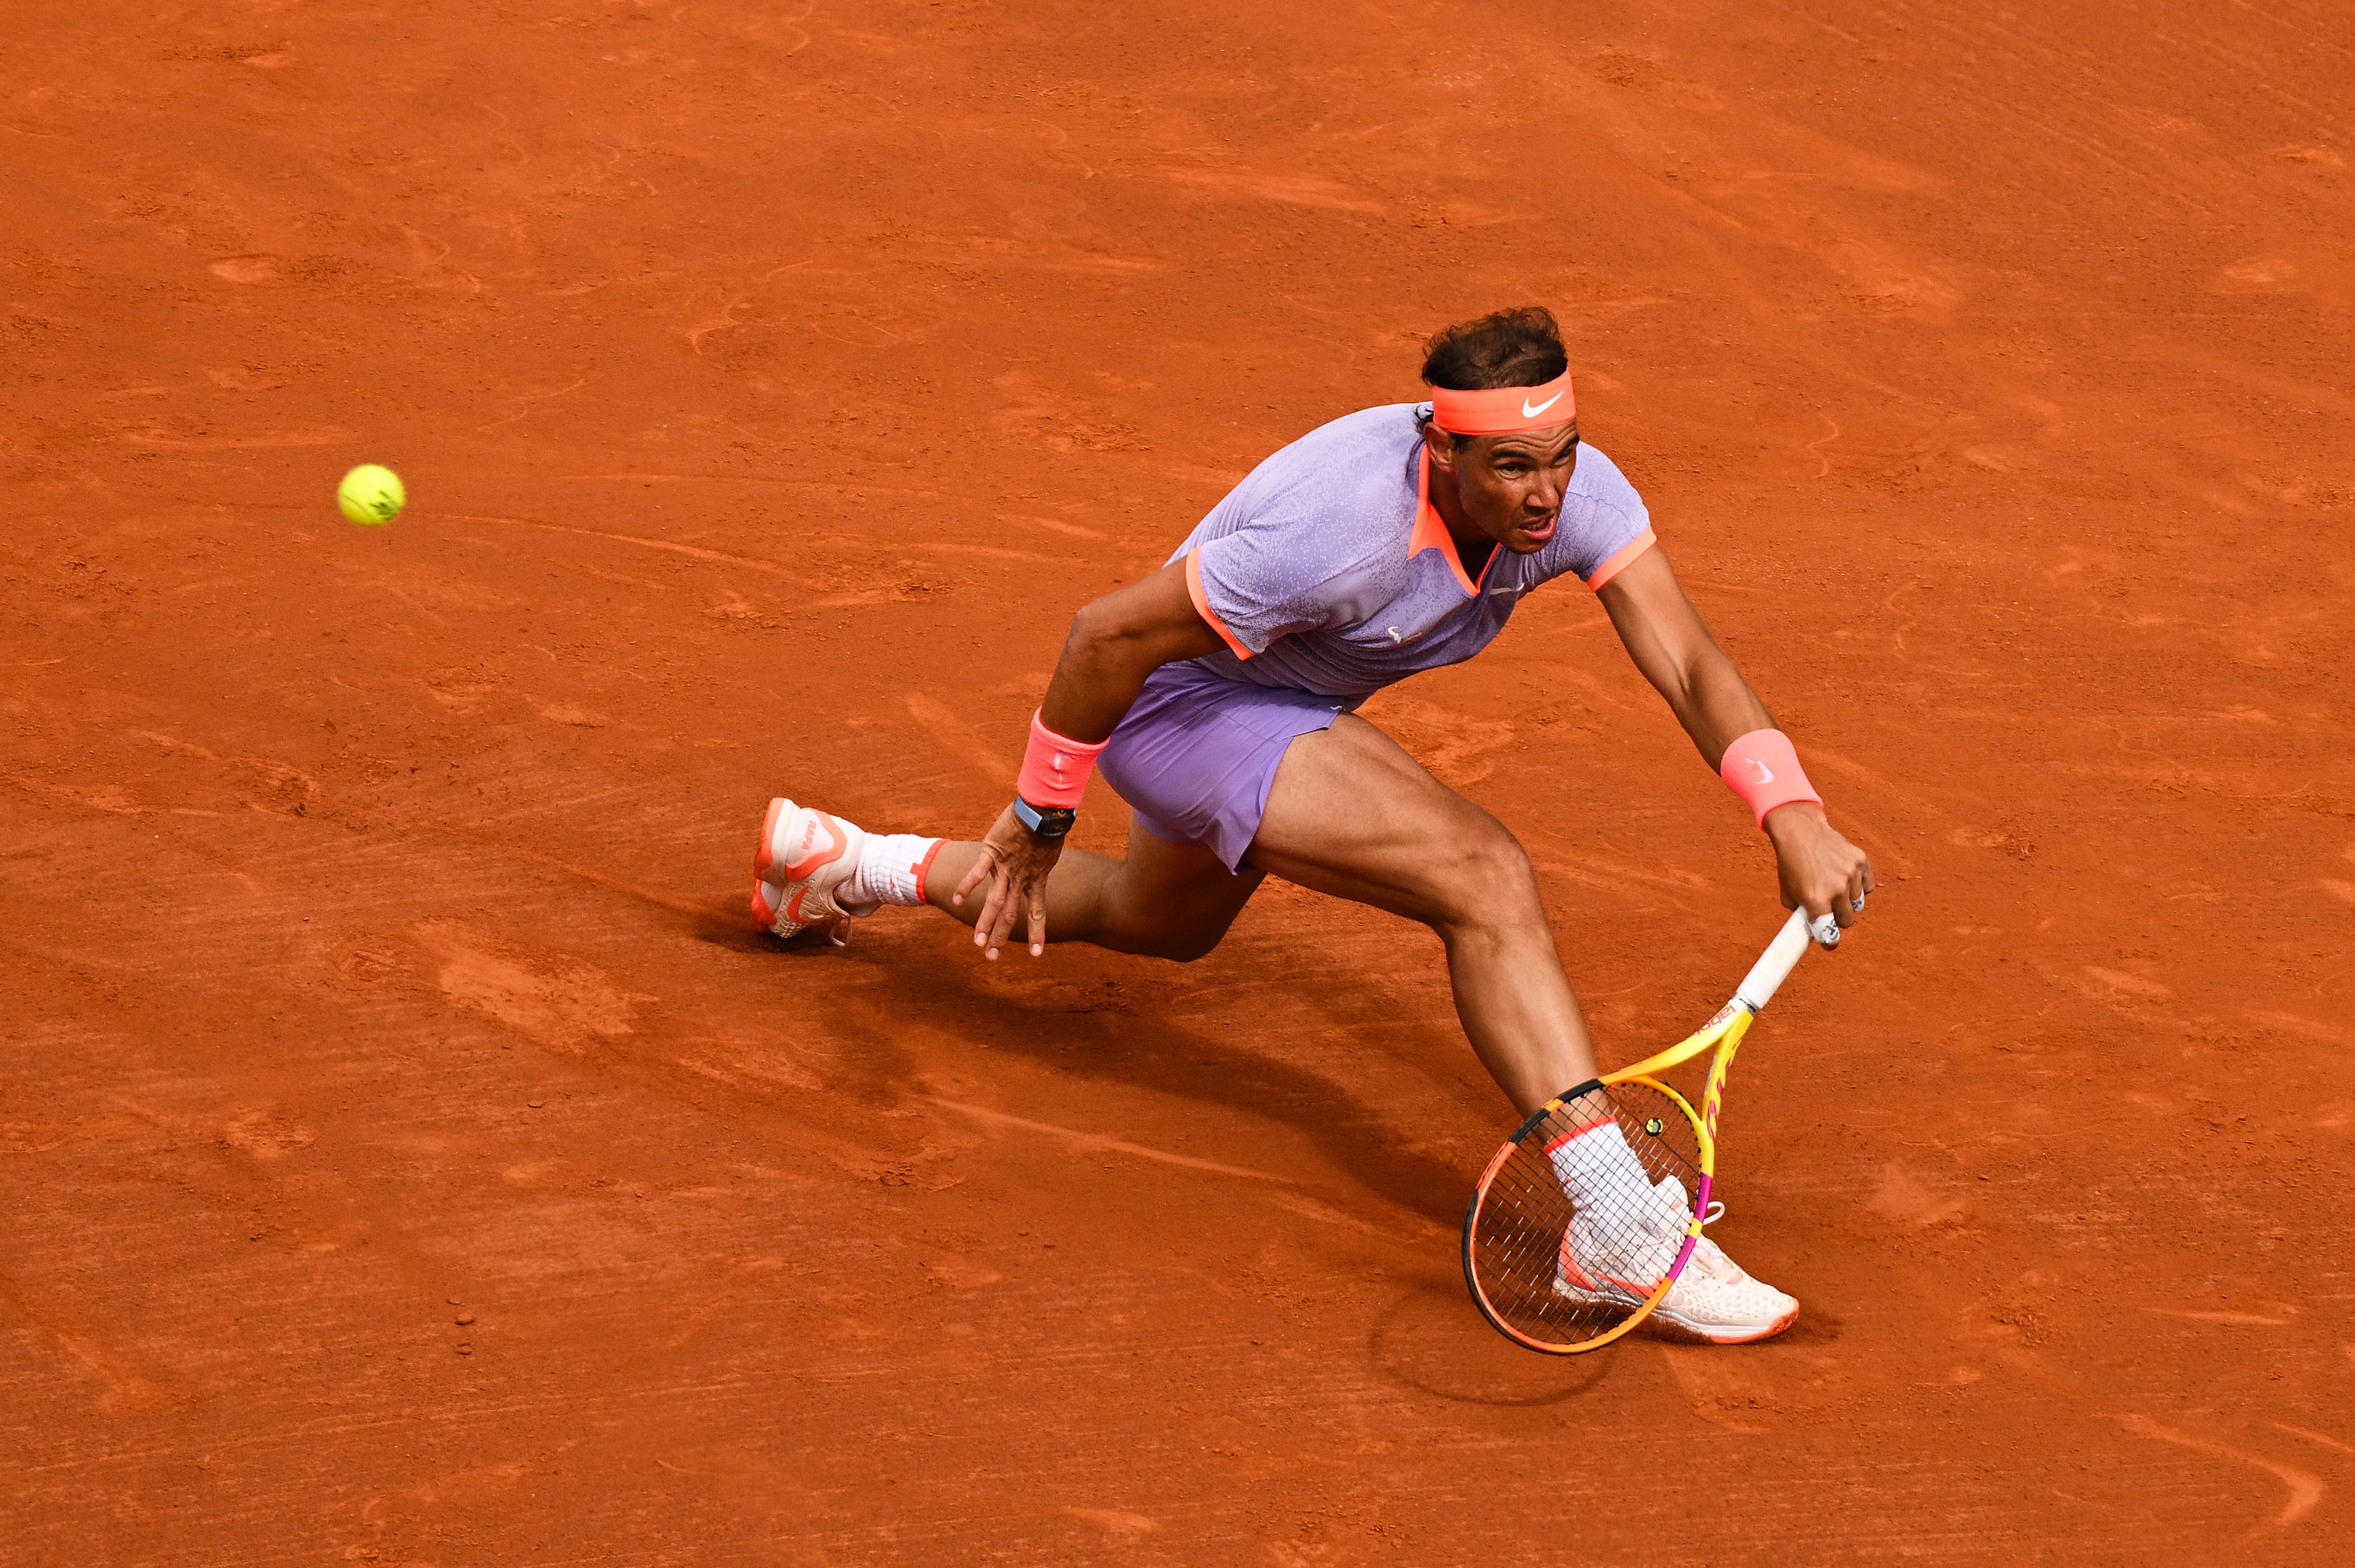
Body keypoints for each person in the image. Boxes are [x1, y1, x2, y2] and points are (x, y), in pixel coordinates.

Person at [752, 307, 1872, 1344]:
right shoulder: (1341, 531)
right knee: (1480, 874)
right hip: (1182, 701)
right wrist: (1043, 808)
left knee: (1160, 920)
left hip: (1283, 702)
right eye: (1514, 466)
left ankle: (843, 864)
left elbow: (1685, 657)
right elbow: (1105, 637)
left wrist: (1794, 810)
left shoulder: (1577, 497)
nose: (1547, 495)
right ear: (1444, 451)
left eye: (1562, 453)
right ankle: (1614, 1226)